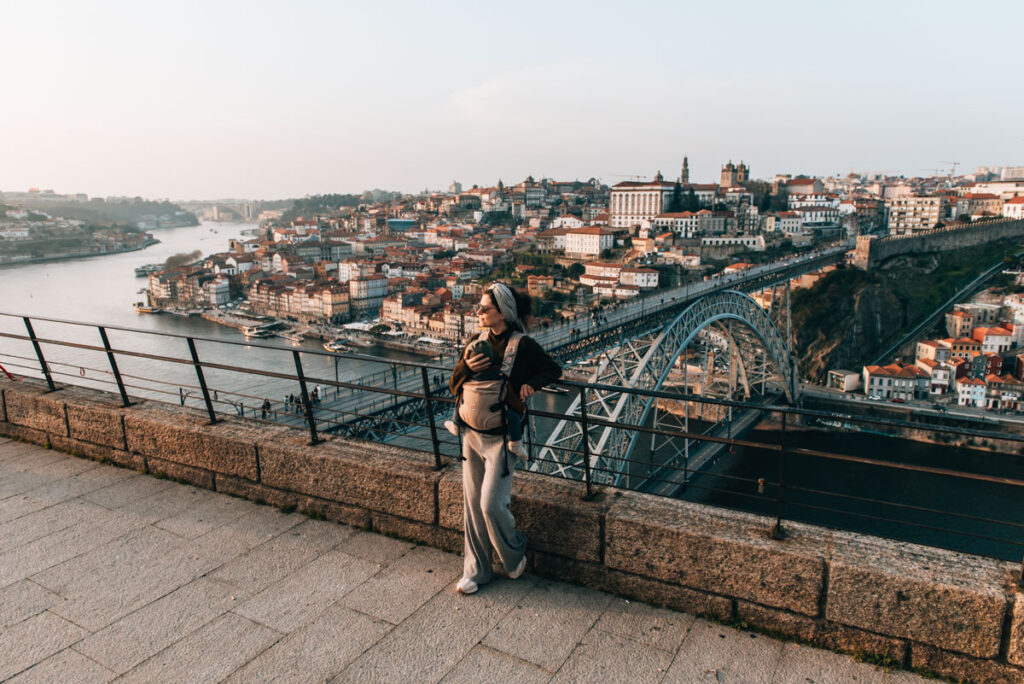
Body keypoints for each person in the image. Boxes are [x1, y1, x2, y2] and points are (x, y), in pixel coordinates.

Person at [448, 282, 560, 595]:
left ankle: (514, 550)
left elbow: (553, 370)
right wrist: (465, 367)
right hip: (471, 432)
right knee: (471, 505)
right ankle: (476, 571)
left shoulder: (522, 345)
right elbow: (454, 384)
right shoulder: (474, 340)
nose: (479, 312)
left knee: (490, 505)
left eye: (485, 308)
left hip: (501, 438)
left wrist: (531, 386)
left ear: (503, 312)